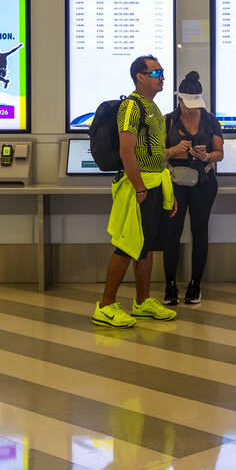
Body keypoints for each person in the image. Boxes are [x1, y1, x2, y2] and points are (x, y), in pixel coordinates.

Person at [92, 54, 179, 328]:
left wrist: (168, 191)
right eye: (156, 73)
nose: (162, 77)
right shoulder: (131, 107)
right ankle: (105, 306)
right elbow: (126, 152)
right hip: (138, 187)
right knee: (127, 246)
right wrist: (140, 188)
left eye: (162, 72)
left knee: (146, 245)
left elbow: (157, 152)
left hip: (156, 184)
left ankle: (142, 302)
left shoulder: (153, 108)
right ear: (140, 77)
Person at [162, 71, 224, 306]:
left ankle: (195, 285)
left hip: (203, 183)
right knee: (172, 233)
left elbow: (219, 153)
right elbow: (156, 155)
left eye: (196, 104)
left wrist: (206, 155)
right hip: (174, 183)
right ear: (179, 99)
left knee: (200, 231)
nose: (192, 109)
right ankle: (170, 285)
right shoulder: (167, 121)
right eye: (188, 104)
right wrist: (174, 150)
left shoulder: (210, 120)